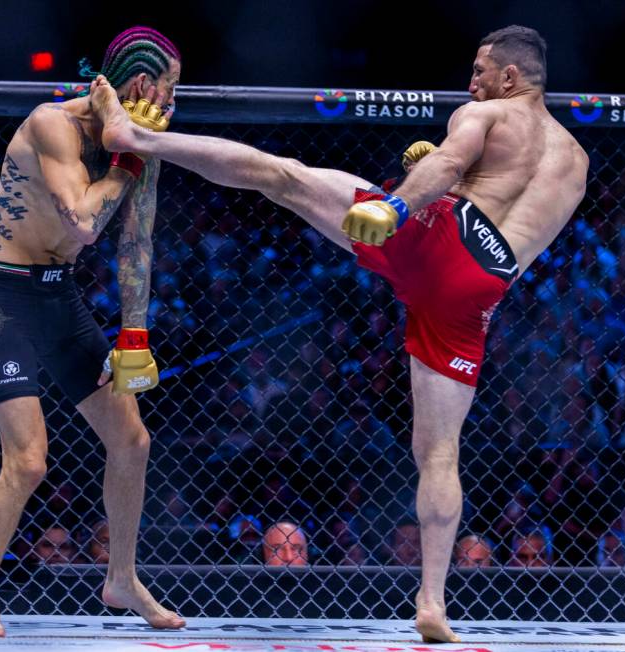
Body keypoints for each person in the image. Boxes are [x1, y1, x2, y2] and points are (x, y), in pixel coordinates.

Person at [92, 25, 589, 642]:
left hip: (439, 240)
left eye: (481, 70)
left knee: (284, 177)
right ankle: (432, 603)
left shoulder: (483, 113)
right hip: (482, 290)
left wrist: (398, 206)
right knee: (439, 453)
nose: (471, 82)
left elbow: (452, 161)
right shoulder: (577, 160)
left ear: (510, 77)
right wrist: (449, 199)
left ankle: (135, 134)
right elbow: (503, 212)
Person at [0, 26, 185, 636]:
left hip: (59, 299)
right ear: (140, 85)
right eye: (170, 89)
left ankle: (121, 578)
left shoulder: (138, 141)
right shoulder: (51, 123)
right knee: (29, 461)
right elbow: (84, 220)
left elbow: (137, 244)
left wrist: (133, 334)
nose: (172, 104)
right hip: (2, 296)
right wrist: (129, 159)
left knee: (132, 442)